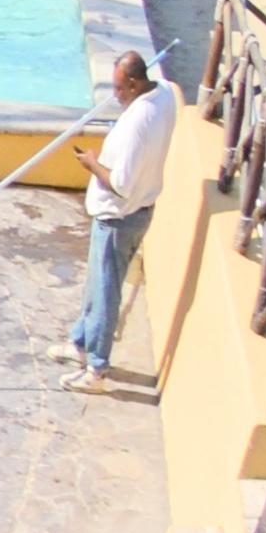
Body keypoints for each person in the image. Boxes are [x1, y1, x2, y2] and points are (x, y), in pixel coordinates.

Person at [78, 45, 177, 384]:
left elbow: (120, 184)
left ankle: (96, 367)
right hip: (140, 211)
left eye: (120, 88)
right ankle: (80, 341)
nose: (116, 95)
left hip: (118, 218)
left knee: (106, 290)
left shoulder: (137, 122)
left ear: (135, 84)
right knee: (97, 283)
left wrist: (93, 164)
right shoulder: (164, 95)